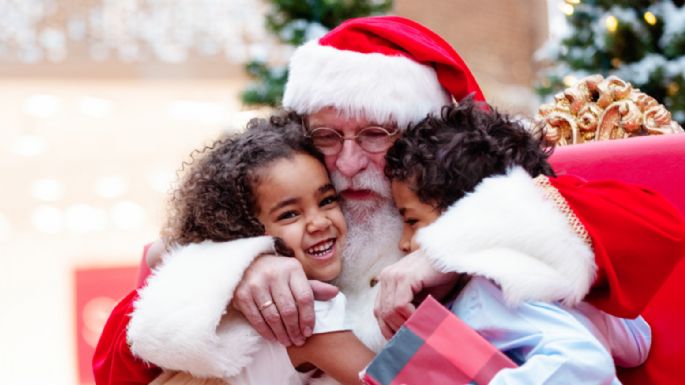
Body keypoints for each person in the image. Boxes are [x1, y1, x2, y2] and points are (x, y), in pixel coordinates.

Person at [93, 16, 685, 385]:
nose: (348, 165)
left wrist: (454, 248)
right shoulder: (277, 216)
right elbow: (116, 365)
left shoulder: (490, 194)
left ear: (421, 136)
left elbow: (655, 226)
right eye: (327, 137)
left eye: (376, 136)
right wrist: (233, 272)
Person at [382, 99, 651, 384]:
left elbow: (584, 361)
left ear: (463, 215)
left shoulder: (487, 293)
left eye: (412, 221)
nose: (403, 243)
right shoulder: (551, 277)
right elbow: (638, 344)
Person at [128, 115, 376, 385]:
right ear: (244, 230)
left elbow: (162, 250)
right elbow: (393, 381)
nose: (318, 222)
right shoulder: (307, 313)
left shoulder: (218, 302)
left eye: (327, 200)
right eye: (290, 214)